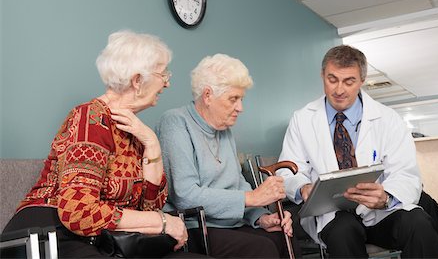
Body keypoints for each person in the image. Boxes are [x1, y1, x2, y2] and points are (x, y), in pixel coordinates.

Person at [2, 30, 194, 258]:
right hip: (47, 236)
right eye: (163, 74)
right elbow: (78, 213)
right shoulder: (90, 119)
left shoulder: (136, 131)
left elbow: (148, 210)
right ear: (137, 80)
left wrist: (152, 144)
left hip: (99, 238)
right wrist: (162, 221)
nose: (167, 83)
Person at [278, 45, 438, 258]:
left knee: (418, 223)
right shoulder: (302, 119)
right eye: (332, 79)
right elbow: (286, 171)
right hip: (333, 215)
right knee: (343, 232)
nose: (339, 90)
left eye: (349, 81)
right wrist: (303, 188)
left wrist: (386, 197)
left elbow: (406, 173)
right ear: (322, 75)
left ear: (362, 80)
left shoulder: (388, 119)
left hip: (380, 212)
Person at [156, 54, 294, 258]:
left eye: (241, 99)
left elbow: (238, 184)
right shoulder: (175, 123)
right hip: (195, 227)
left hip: (231, 223)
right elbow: (185, 195)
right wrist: (251, 198)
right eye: (233, 99)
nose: (240, 108)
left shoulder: (224, 130)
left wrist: (261, 217)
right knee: (261, 249)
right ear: (208, 95)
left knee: (283, 238)